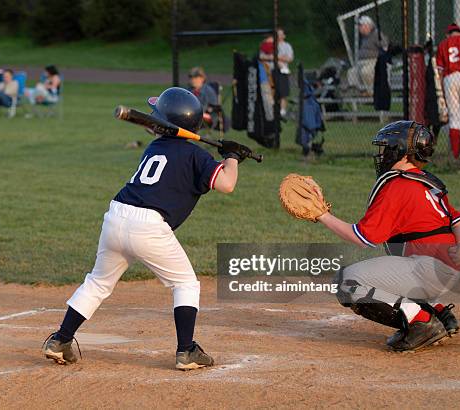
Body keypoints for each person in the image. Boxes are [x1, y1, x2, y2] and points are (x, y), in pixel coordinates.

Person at [42, 87, 253, 370]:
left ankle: (60, 339)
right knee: (185, 284)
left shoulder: (156, 147)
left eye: (158, 117)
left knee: (98, 282)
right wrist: (232, 158)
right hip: (149, 226)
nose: (153, 121)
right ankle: (186, 350)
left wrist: (223, 156)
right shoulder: (196, 156)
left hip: (117, 215)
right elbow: (227, 183)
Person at [315, 121, 460, 352]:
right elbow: (456, 219)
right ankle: (439, 312)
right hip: (447, 269)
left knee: (346, 282)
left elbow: (363, 237)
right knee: (396, 248)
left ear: (401, 152)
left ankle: (421, 320)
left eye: (387, 148)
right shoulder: (426, 180)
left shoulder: (397, 185)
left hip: (429, 269)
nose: (383, 154)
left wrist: (322, 215)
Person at [437, 23, 460, 169]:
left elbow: (440, 71)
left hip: (449, 79)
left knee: (455, 119)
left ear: (448, 34)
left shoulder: (443, 44)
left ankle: (455, 156)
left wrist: (444, 90)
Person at [347, 15, 389, 94]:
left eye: (361, 26)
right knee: (351, 72)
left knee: (365, 72)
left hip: (373, 61)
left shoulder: (376, 34)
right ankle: (360, 92)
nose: (359, 28)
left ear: (367, 26)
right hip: (362, 62)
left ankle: (372, 92)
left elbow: (385, 47)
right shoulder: (365, 37)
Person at [259, 29, 294, 117]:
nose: (278, 36)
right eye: (277, 35)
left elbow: (289, 59)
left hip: (282, 71)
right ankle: (271, 110)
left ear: (284, 36)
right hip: (270, 71)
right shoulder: (268, 44)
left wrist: (276, 58)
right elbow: (261, 56)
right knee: (270, 92)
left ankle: (282, 112)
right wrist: (273, 58)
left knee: (283, 92)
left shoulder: (287, 46)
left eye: (280, 34)